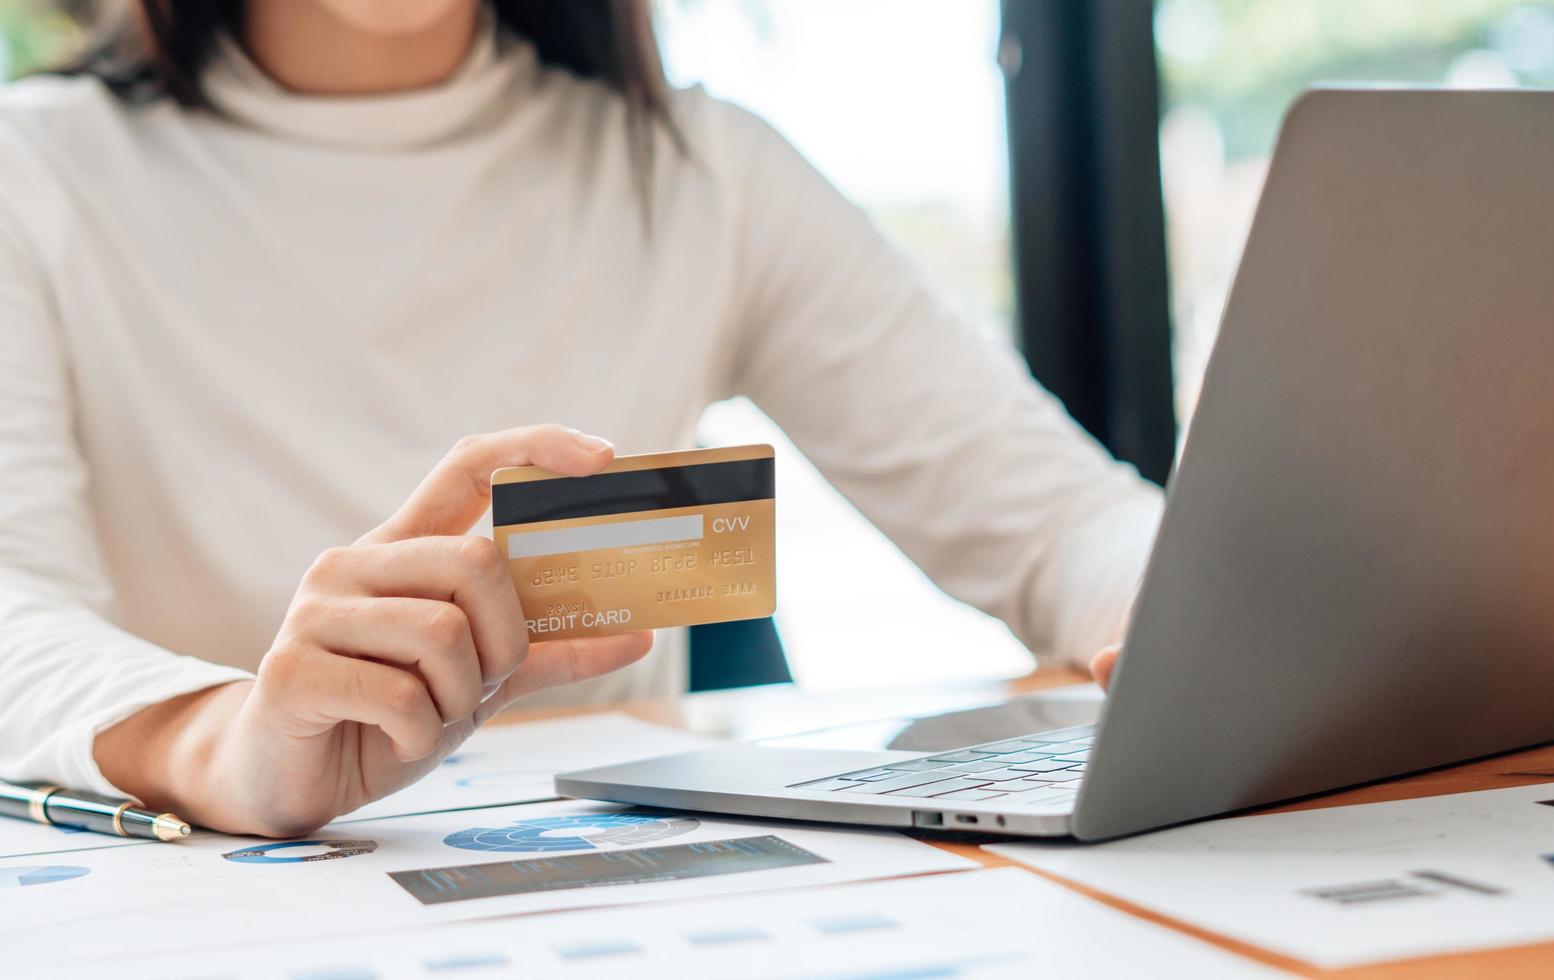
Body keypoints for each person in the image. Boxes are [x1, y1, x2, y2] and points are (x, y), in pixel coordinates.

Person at [0, 0, 1160, 837]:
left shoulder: (700, 167)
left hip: (601, 882)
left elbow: (1059, 522)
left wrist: (1218, 630)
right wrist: (231, 745)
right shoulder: (36, 175)